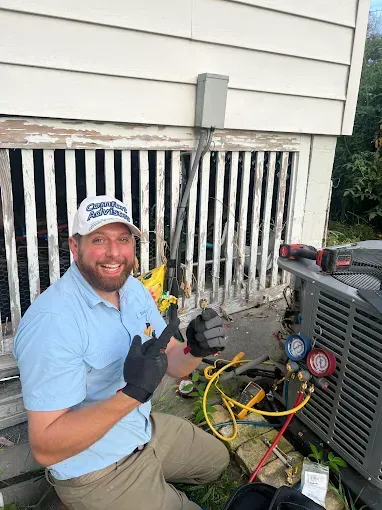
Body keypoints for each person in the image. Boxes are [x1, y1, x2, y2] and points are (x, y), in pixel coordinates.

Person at [13, 195, 230, 510]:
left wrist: (196, 348)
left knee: (217, 462)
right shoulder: (52, 324)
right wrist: (134, 393)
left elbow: (174, 362)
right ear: (76, 247)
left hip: (140, 429)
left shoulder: (132, 290)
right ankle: (76, 501)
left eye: (123, 239)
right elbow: (46, 448)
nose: (114, 253)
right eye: (99, 239)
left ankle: (142, 486)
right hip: (95, 468)